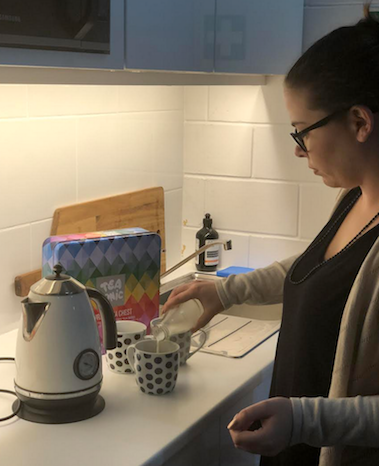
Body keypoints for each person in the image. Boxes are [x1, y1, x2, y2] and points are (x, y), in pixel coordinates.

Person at [162, 4, 379, 466]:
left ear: (360, 123)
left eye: (302, 132)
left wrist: (302, 421)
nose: (299, 151)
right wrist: (225, 291)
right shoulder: (354, 199)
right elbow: (311, 269)